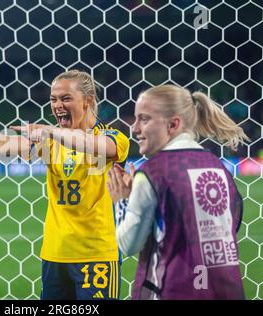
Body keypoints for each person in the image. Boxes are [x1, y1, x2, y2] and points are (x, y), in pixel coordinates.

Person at [0, 69, 130, 300]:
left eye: (65, 98)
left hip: (97, 255)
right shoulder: (53, 141)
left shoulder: (112, 137)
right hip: (54, 254)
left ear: (88, 100)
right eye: (53, 99)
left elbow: (98, 146)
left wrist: (48, 131)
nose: (57, 105)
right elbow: (6, 143)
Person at [107, 84, 249, 300]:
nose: (134, 128)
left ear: (173, 124)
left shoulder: (153, 172)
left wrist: (122, 200)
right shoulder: (220, 168)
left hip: (172, 290)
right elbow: (231, 226)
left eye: (144, 119)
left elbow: (128, 244)